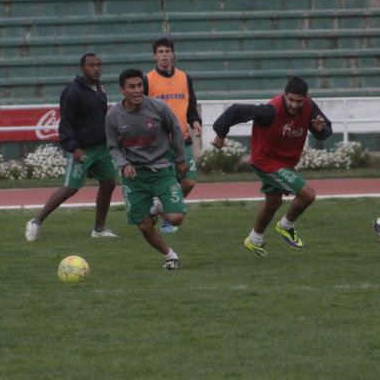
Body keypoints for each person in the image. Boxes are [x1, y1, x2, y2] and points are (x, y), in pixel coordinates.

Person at [211, 76, 332, 257]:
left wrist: (320, 129)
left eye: (298, 101)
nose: (293, 105)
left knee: (273, 202)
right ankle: (287, 225)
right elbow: (236, 110)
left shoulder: (308, 106)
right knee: (308, 194)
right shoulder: (270, 111)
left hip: (284, 162)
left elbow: (325, 129)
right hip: (266, 162)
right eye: (290, 100)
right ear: (284, 95)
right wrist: (221, 134)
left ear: (305, 99)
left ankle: (254, 239)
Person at [25, 53, 118, 241]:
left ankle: (99, 229)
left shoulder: (100, 87)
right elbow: (65, 123)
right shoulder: (72, 91)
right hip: (82, 149)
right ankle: (36, 221)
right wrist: (73, 148)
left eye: (99, 65)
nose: (96, 69)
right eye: (92, 65)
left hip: (102, 147)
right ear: (82, 69)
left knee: (109, 184)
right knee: (70, 188)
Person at [106, 68, 188, 269]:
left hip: (161, 169)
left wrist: (180, 158)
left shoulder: (158, 107)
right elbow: (113, 147)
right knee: (143, 225)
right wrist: (124, 165)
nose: (137, 90)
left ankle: (155, 206)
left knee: (176, 218)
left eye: (140, 86)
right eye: (131, 87)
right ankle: (170, 256)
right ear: (122, 90)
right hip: (135, 177)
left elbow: (176, 130)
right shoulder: (113, 116)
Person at [143, 37, 202, 233]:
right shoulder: (147, 80)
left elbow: (191, 105)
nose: (164, 55)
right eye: (160, 52)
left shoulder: (184, 78)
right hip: (159, 142)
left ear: (173, 54)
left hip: (182, 139)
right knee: (164, 182)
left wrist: (195, 121)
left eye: (167, 51)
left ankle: (159, 209)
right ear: (154, 56)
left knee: (189, 181)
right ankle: (168, 218)